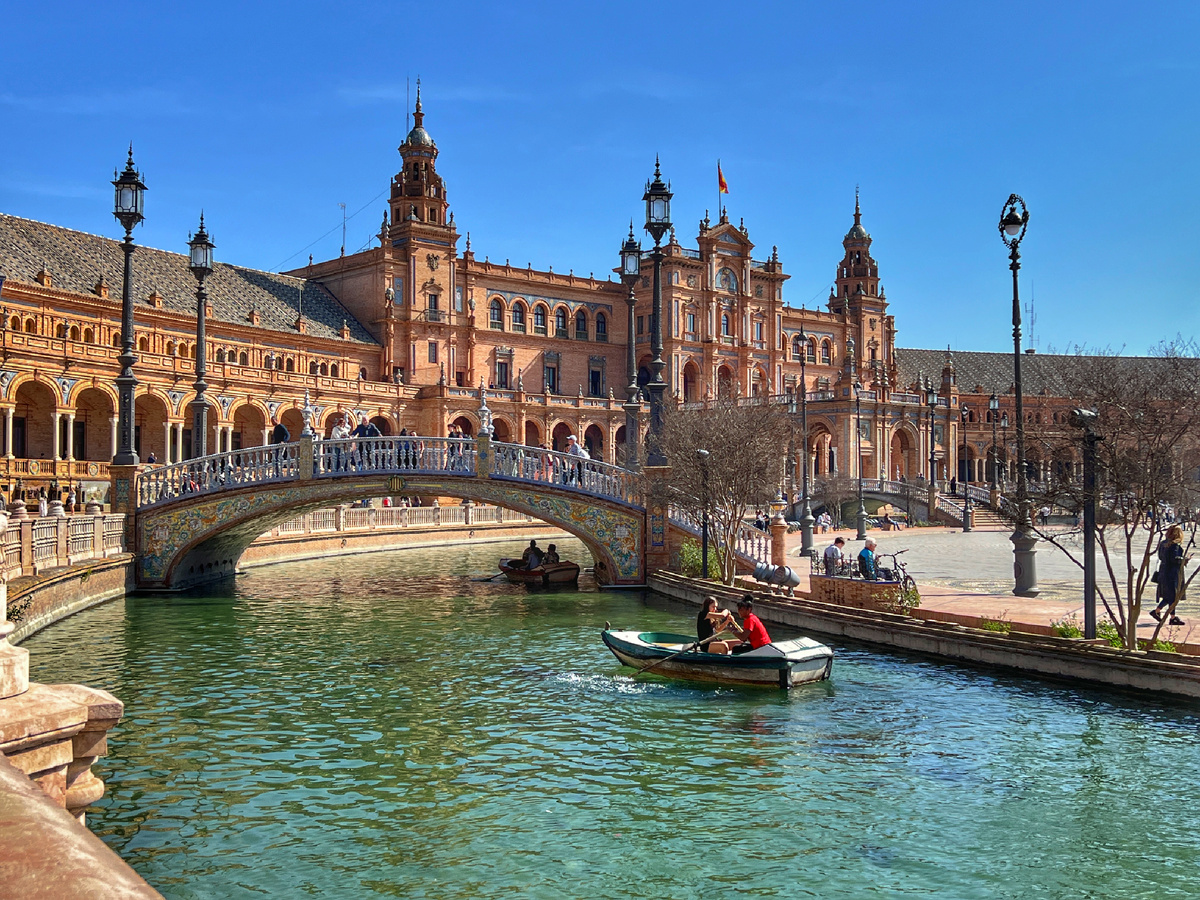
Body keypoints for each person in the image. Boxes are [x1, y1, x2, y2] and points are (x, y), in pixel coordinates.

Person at [1152, 524, 1190, 625]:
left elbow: (1161, 557)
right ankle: (1171, 617)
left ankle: (1158, 611)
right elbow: (1175, 559)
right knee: (1173, 595)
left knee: (1169, 596)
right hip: (1173, 573)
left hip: (1163, 571)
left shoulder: (1163, 543)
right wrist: (1185, 560)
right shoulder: (1175, 545)